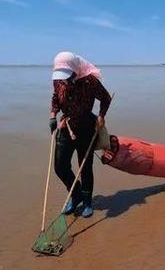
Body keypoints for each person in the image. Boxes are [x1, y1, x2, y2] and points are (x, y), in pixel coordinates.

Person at [50, 51, 111, 218]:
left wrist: (101, 116)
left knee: (85, 167)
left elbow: (105, 98)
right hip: (66, 127)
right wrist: (53, 116)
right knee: (60, 166)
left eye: (67, 74)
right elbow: (55, 98)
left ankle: (87, 201)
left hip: (86, 128)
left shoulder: (90, 81)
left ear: (75, 69)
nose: (64, 78)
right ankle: (76, 194)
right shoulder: (58, 80)